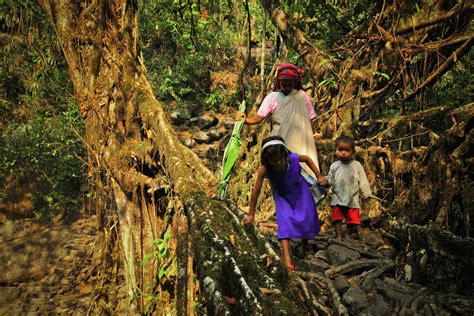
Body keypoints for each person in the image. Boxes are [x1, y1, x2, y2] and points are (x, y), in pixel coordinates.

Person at [242, 136, 327, 271]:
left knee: (306, 218)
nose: (278, 162)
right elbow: (256, 191)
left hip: (300, 191)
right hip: (282, 196)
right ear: (267, 160)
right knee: (284, 223)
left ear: (284, 154)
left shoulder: (293, 158)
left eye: (280, 158)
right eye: (273, 160)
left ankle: (306, 244)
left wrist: (319, 176)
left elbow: (307, 159)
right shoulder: (265, 169)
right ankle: (287, 260)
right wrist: (251, 214)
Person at [236, 63, 320, 178]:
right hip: (279, 144)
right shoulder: (272, 97)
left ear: (295, 81)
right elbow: (259, 117)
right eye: (284, 80)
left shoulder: (302, 96)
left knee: (301, 174)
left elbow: (309, 120)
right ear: (278, 81)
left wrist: (309, 140)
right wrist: (245, 120)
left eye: (290, 80)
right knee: (280, 175)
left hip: (300, 141)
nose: (286, 83)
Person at [325, 136, 372, 242]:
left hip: (353, 197)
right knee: (337, 218)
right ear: (336, 150)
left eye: (347, 150)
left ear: (353, 152)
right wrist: (325, 181)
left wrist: (366, 193)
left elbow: (363, 179)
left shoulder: (356, 165)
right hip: (338, 196)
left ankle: (347, 234)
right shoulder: (334, 166)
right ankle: (338, 235)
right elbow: (331, 178)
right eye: (340, 150)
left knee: (353, 219)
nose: (343, 153)